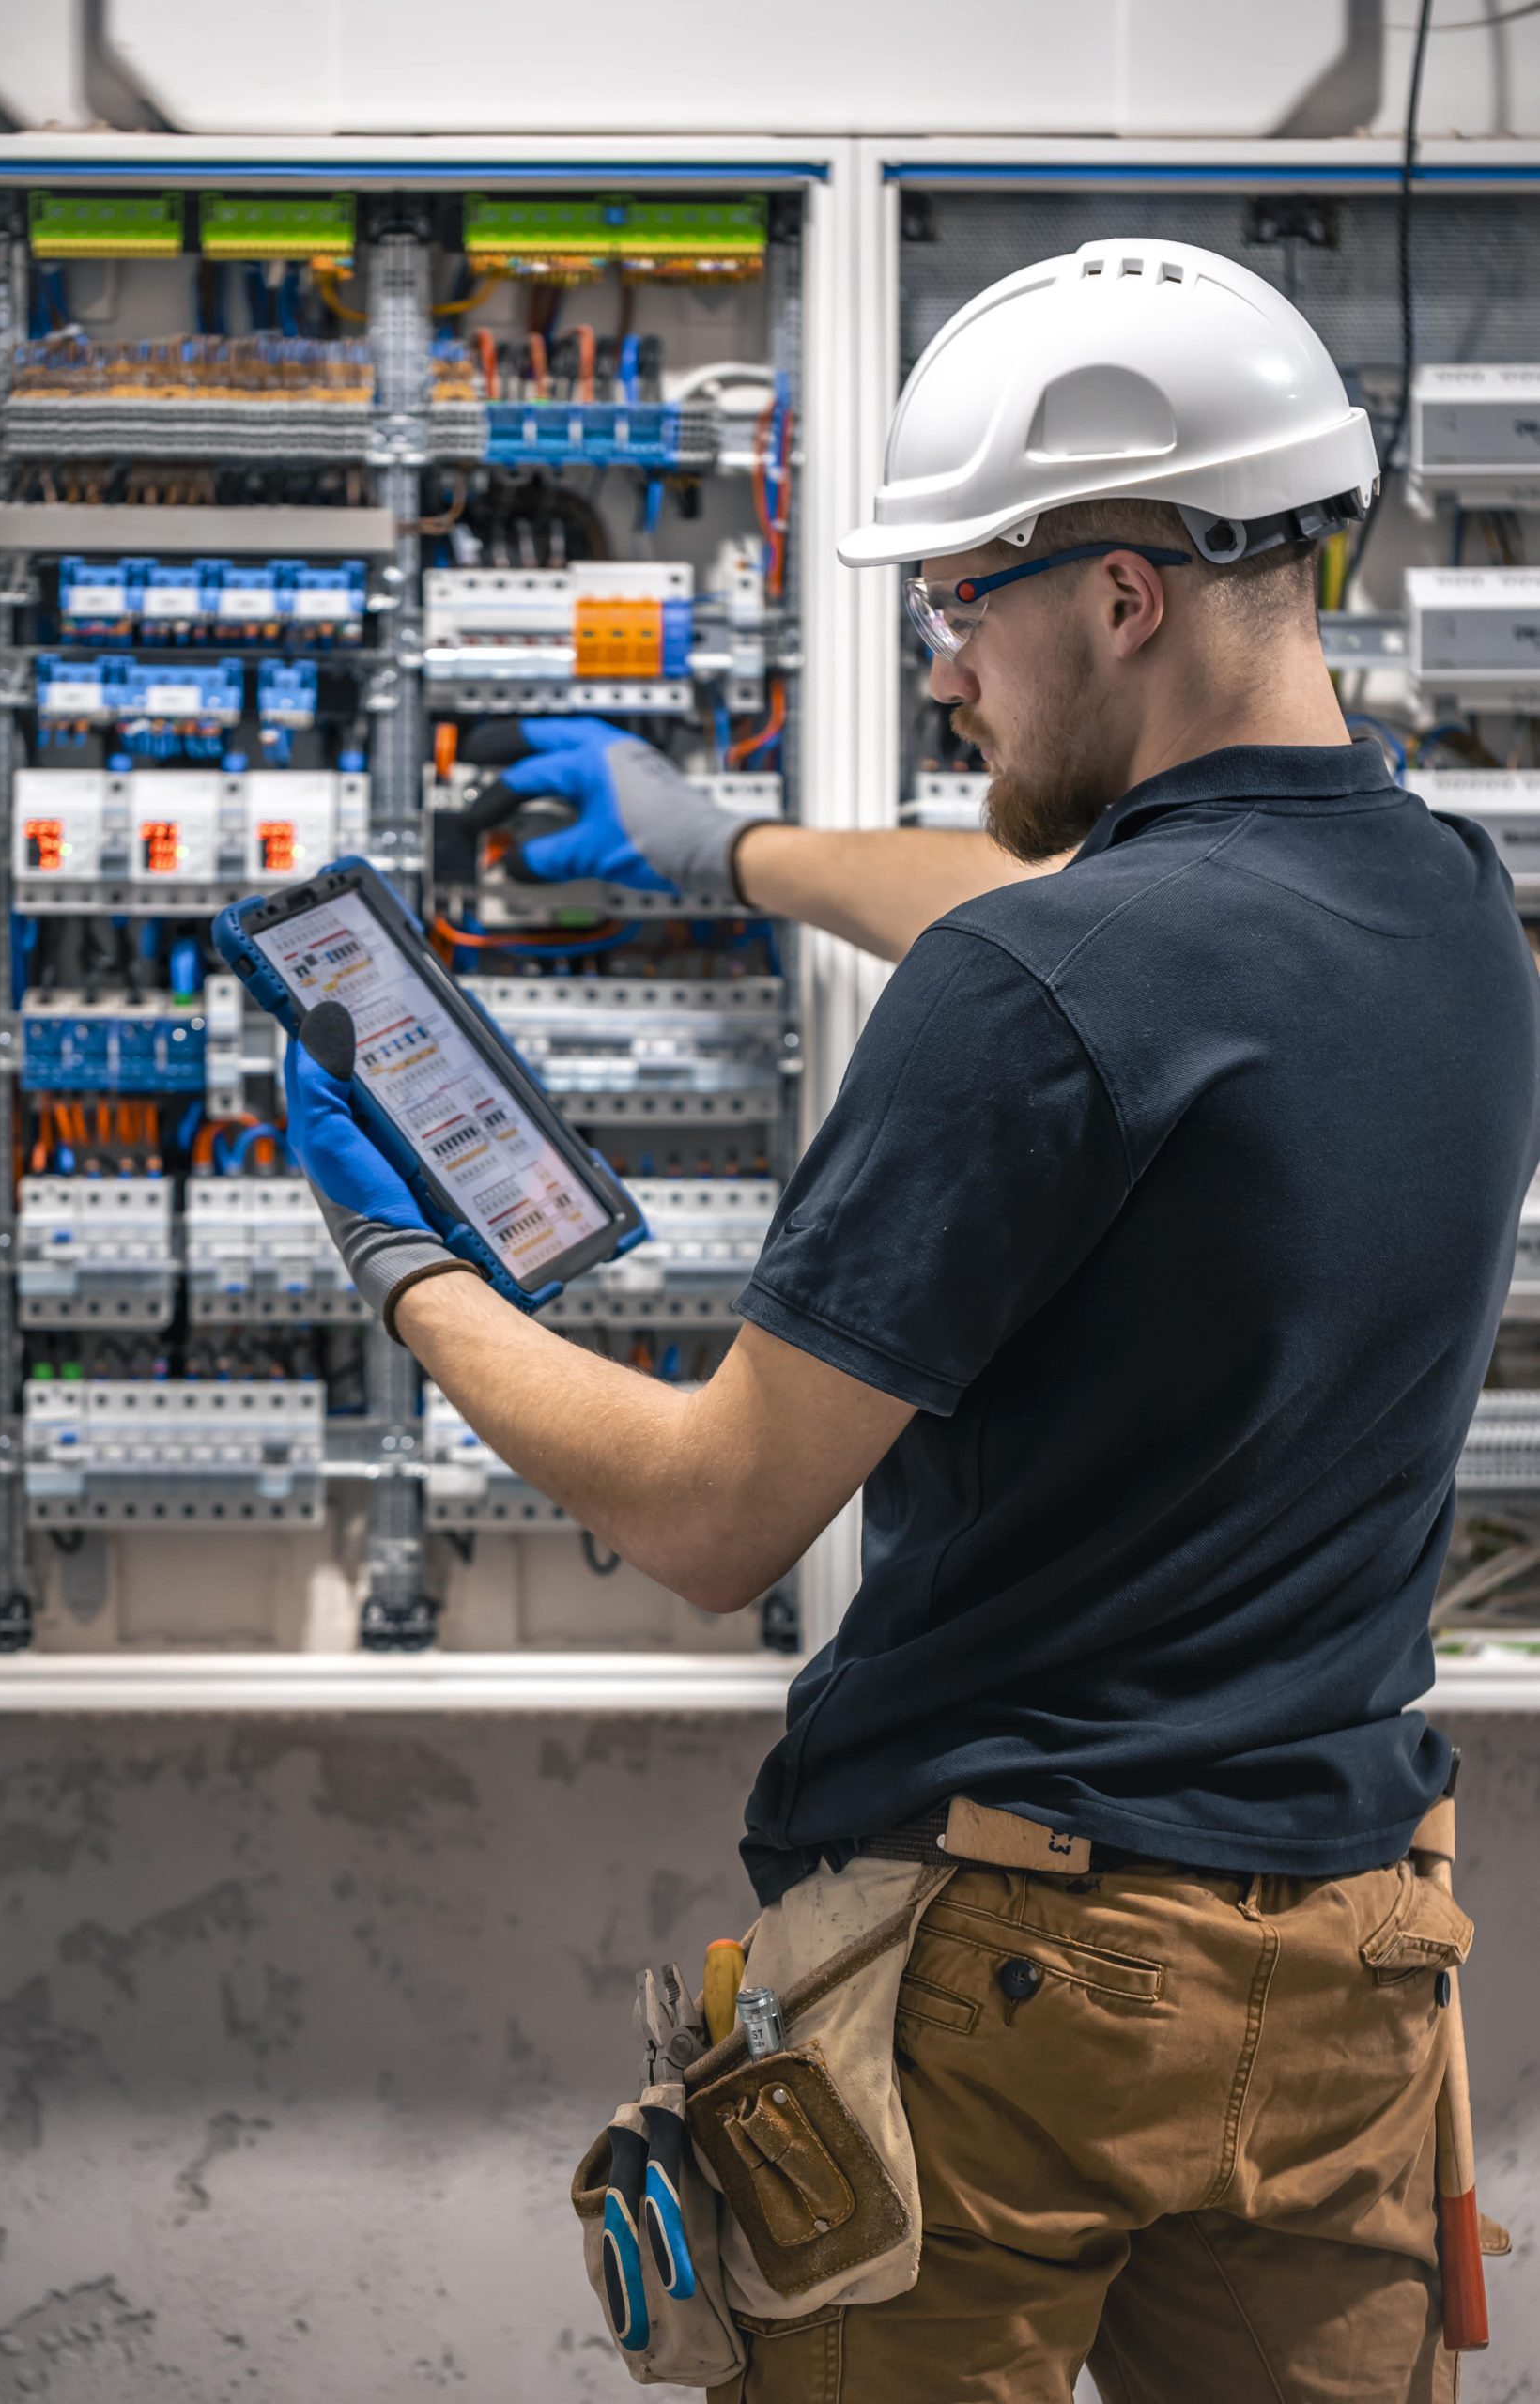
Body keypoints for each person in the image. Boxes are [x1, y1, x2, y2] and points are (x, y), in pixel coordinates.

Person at [284, 239, 1539, 2400]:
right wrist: (730, 847)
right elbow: (1109, 938)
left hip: (1018, 1996)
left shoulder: (1025, 998)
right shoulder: (1446, 907)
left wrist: (411, 1269)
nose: (944, 665)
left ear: (1119, 595)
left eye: (960, 603)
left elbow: (706, 1521)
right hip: (1354, 1967)